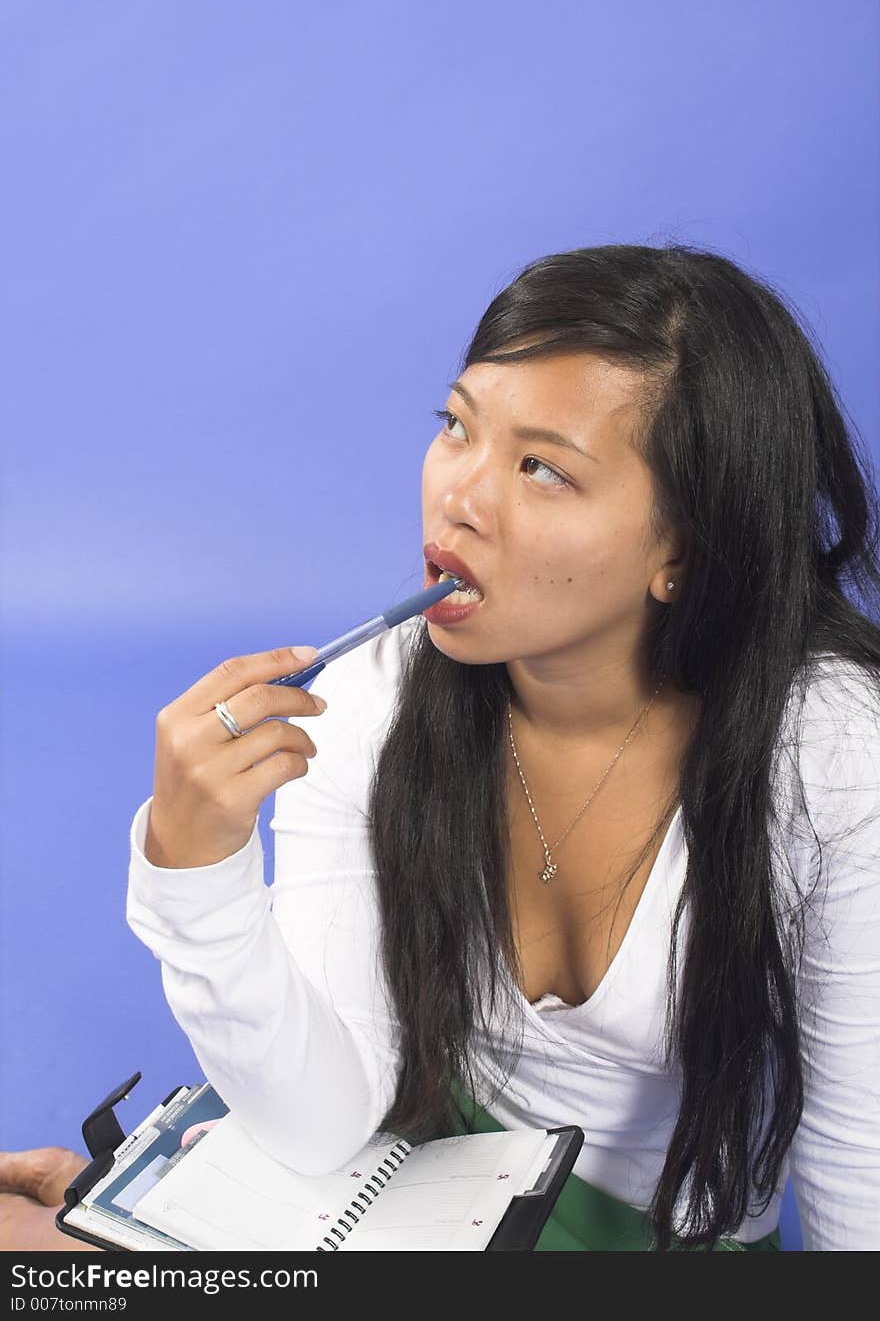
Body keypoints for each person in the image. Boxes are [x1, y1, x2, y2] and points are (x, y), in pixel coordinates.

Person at [4, 242, 879, 1251]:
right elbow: (324, 1119)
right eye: (456, 426)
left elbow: (860, 1189)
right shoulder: (374, 698)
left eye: (542, 469)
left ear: (680, 551)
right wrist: (195, 873)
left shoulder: (834, 759)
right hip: (410, 1190)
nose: (458, 496)